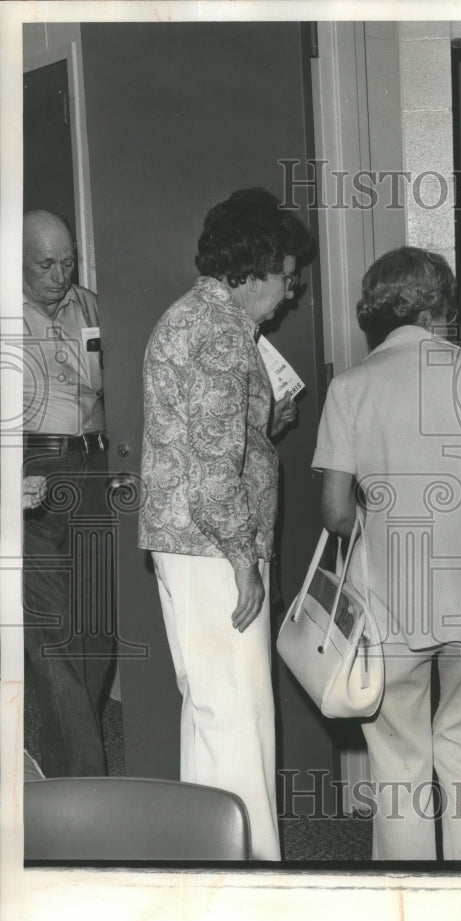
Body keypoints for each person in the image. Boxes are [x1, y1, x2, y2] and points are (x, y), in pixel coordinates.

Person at [312, 246, 461, 861]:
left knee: (398, 763)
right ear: (440, 308)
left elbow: (335, 512)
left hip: (394, 606)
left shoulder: (349, 388)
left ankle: (409, 906)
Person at [138, 188, 310, 861]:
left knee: (211, 714)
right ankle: (254, 876)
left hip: (187, 543)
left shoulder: (192, 317)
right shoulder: (219, 330)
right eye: (286, 278)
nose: (289, 295)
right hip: (214, 547)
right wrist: (244, 560)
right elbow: (212, 468)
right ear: (255, 267)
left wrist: (263, 425)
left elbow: (205, 438)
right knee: (239, 719)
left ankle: (208, 860)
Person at [22, 210, 113, 777]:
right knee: (52, 632)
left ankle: (58, 764)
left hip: (95, 462)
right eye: (46, 264)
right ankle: (88, 784)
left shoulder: (95, 306)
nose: (61, 275)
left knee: (98, 626)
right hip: (32, 466)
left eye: (68, 261)